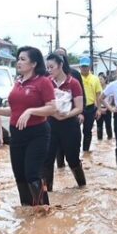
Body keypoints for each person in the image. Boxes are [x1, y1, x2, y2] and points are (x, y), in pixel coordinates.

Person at [0, 46, 56, 206]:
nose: (18, 62)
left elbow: (52, 108)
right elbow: (15, 110)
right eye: (18, 59)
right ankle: (27, 209)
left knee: (32, 173)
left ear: (33, 63)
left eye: (23, 59)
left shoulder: (43, 82)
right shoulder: (18, 83)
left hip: (37, 133)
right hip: (17, 134)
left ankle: (43, 210)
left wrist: (31, 111)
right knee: (19, 175)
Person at [43, 53, 86, 191]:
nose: (49, 70)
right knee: (48, 159)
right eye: (47, 67)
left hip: (69, 125)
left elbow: (79, 108)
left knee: (72, 159)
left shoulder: (73, 83)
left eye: (52, 67)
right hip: (50, 124)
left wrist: (66, 114)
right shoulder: (46, 82)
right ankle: (47, 193)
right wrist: (54, 113)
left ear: (61, 65)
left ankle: (82, 187)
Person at [54, 47, 86, 168]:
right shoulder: (48, 77)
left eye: (62, 56)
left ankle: (81, 183)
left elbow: (82, 95)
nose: (60, 57)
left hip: (71, 116)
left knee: (72, 156)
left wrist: (81, 113)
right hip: (53, 119)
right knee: (53, 153)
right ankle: (58, 171)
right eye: (57, 55)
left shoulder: (74, 75)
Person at [79, 56, 103, 152]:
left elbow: (98, 95)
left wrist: (99, 109)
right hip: (78, 108)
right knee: (75, 131)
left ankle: (85, 151)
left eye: (86, 66)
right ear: (80, 67)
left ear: (89, 67)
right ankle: (76, 151)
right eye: (82, 66)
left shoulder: (95, 79)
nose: (84, 68)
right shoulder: (76, 77)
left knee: (87, 131)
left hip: (90, 108)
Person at [96, 72, 113, 140]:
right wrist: (99, 109)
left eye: (101, 79)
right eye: (98, 79)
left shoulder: (109, 87)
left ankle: (110, 139)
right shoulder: (96, 88)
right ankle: (99, 140)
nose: (99, 81)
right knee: (99, 126)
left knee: (108, 125)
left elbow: (112, 99)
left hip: (107, 109)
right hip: (99, 109)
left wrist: (107, 107)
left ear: (105, 80)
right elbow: (95, 99)